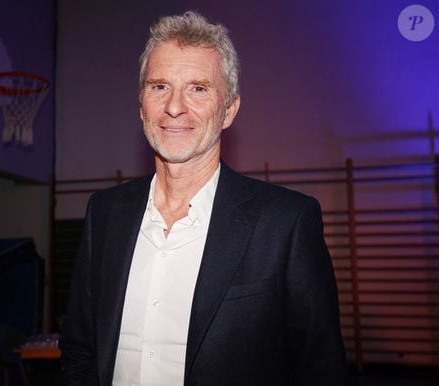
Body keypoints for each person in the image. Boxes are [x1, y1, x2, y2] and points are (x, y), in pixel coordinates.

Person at [60, 10, 348, 386]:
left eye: (198, 88)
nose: (175, 106)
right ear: (141, 105)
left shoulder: (285, 223)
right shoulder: (105, 213)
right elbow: (81, 348)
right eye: (159, 86)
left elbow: (320, 370)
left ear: (228, 110)